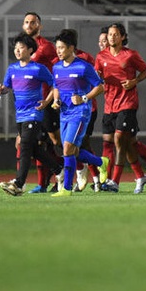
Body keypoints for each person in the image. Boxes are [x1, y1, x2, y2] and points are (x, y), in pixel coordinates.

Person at [0, 33, 63, 196]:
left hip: (34, 113)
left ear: (30, 50)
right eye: (16, 48)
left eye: (21, 47)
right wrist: (0, 90)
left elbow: (55, 84)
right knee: (32, 149)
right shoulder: (12, 69)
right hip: (20, 114)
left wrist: (46, 102)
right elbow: (5, 88)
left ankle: (19, 183)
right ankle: (59, 170)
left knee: (24, 145)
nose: (17, 51)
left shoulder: (38, 68)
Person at [94, 22, 146, 194]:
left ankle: (114, 181)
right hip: (109, 106)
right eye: (109, 34)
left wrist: (134, 81)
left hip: (127, 103)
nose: (112, 37)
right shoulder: (101, 57)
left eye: (115, 34)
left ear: (122, 37)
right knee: (129, 144)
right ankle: (145, 172)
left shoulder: (130, 55)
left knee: (119, 140)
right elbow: (96, 77)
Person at [46, 29, 108, 197]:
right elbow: (56, 86)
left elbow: (100, 86)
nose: (58, 51)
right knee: (72, 150)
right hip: (64, 113)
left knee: (67, 148)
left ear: (71, 48)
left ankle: (66, 188)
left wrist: (84, 98)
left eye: (61, 47)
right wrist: (55, 101)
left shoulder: (83, 66)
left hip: (80, 112)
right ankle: (100, 162)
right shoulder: (56, 67)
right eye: (57, 47)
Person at [20, 12, 64, 193]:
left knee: (56, 141)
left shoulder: (46, 47)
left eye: (33, 22)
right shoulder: (21, 46)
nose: (29, 25)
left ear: (40, 25)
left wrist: (54, 97)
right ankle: (43, 183)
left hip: (45, 102)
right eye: (26, 22)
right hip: (29, 103)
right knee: (37, 143)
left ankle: (71, 172)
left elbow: (58, 71)